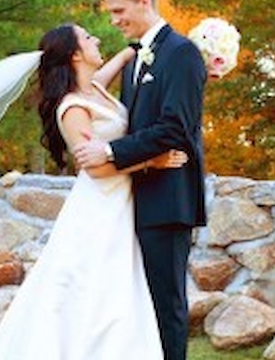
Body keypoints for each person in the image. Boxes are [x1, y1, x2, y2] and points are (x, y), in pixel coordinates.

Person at [0, 23, 188, 360]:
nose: (97, 40)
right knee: (96, 293)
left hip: (123, 201)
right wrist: (152, 161)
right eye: (89, 38)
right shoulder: (73, 108)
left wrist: (131, 53)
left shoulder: (94, 89)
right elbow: (97, 168)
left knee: (119, 292)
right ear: (76, 53)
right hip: (101, 206)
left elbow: (104, 77)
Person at [73, 0, 207, 359]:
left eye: (120, 11)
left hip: (166, 200)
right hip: (132, 197)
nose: (114, 21)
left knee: (166, 307)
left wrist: (112, 152)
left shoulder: (182, 53)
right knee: (135, 308)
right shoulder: (137, 57)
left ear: (144, 2)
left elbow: (176, 127)